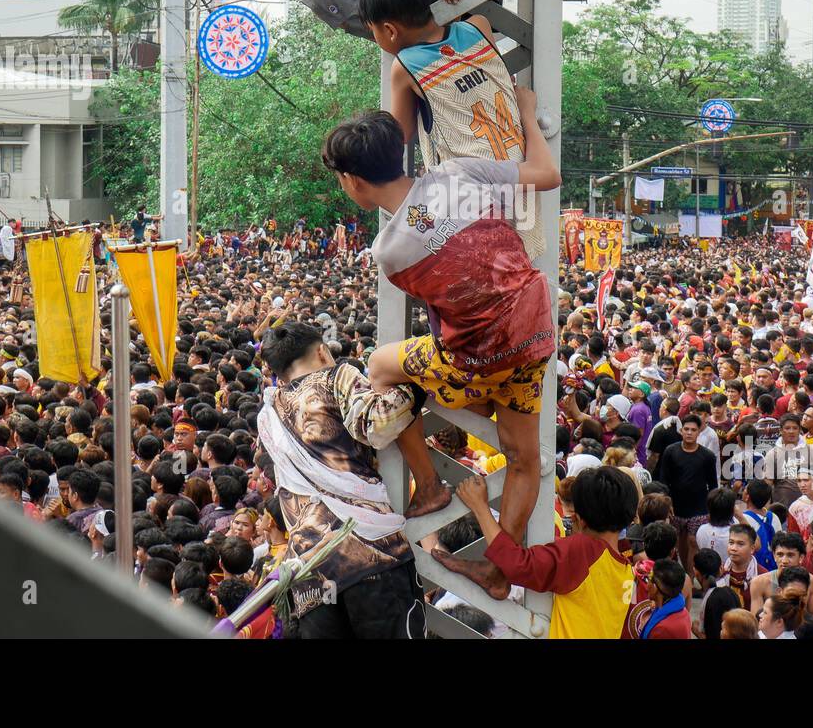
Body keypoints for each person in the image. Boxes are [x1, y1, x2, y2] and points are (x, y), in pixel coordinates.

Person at [322, 98, 559, 599]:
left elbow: (451, 302)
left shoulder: (389, 252)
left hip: (477, 358)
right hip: (535, 333)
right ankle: (500, 570)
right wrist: (526, 109)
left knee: (379, 367)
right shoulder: (458, 172)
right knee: (523, 458)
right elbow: (546, 172)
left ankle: (428, 485)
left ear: (353, 180)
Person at [356, 0, 544, 259]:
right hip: (522, 182)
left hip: (468, 202)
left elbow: (400, 134)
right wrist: (453, 14)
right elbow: (459, 55)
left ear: (390, 30)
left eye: (374, 31)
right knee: (520, 266)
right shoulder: (479, 27)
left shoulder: (405, 67)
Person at [256, 321, 425, 638]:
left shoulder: (267, 413)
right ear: (322, 351)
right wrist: (414, 385)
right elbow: (379, 424)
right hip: (372, 554)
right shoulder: (338, 376)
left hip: (310, 569)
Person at [444, 467, 638, 639]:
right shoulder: (626, 570)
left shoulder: (584, 551)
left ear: (579, 519)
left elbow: (518, 564)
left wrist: (480, 507)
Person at [655, 414, 720, 576]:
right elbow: (664, 479)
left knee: (693, 542)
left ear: (699, 432)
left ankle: (691, 576)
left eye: (693, 430)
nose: (689, 433)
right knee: (677, 542)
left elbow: (713, 484)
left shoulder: (707, 456)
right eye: (686, 429)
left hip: (699, 507)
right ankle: (679, 575)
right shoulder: (670, 452)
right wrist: (667, 503)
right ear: (681, 431)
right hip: (675, 506)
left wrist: (712, 510)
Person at [623, 558, 690, 639]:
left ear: (655, 588)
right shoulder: (679, 609)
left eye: (649, 579)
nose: (647, 584)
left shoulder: (662, 629)